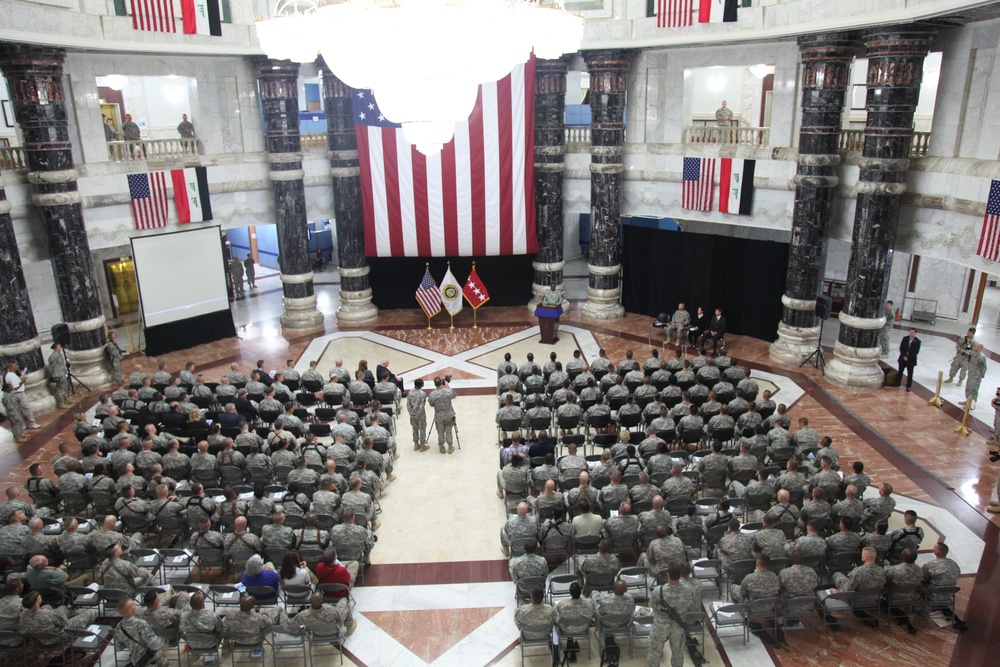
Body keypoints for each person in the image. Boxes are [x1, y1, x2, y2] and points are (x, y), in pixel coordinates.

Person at [647, 562, 700, 667]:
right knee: (678, 652)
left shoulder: (658, 591)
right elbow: (690, 605)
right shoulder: (687, 591)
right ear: (680, 575)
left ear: (668, 574)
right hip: (678, 625)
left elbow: (652, 606)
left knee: (655, 652)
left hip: (660, 626)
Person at [4, 361, 40, 430]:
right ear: (10, 367)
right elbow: (16, 387)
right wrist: (22, 381)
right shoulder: (11, 375)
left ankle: (24, 424)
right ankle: (31, 423)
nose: (17, 366)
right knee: (27, 409)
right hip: (18, 394)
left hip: (16, 394)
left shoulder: (10, 374)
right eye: (15, 365)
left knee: (20, 410)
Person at [428, 376, 457, 454]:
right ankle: (450, 447)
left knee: (440, 431)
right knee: (449, 431)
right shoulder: (447, 391)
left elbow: (431, 404)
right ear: (442, 383)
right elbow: (454, 395)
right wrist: (448, 386)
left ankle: (441, 447)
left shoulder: (432, 394)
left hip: (438, 416)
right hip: (449, 415)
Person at [46, 342, 70, 408]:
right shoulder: (54, 356)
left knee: (64, 386)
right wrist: (50, 374)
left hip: (62, 373)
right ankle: (61, 402)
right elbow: (51, 366)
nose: (60, 348)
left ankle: (66, 399)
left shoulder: (59, 354)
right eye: (59, 347)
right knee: (60, 388)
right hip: (58, 374)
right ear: (55, 348)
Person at [965, 343, 987, 409]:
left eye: (975, 346)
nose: (973, 347)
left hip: (976, 376)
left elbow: (984, 367)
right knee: (968, 388)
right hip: (971, 374)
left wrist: (981, 375)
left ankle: (972, 405)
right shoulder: (974, 353)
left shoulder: (981, 357)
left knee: (973, 390)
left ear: (979, 348)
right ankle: (968, 401)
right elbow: (969, 352)